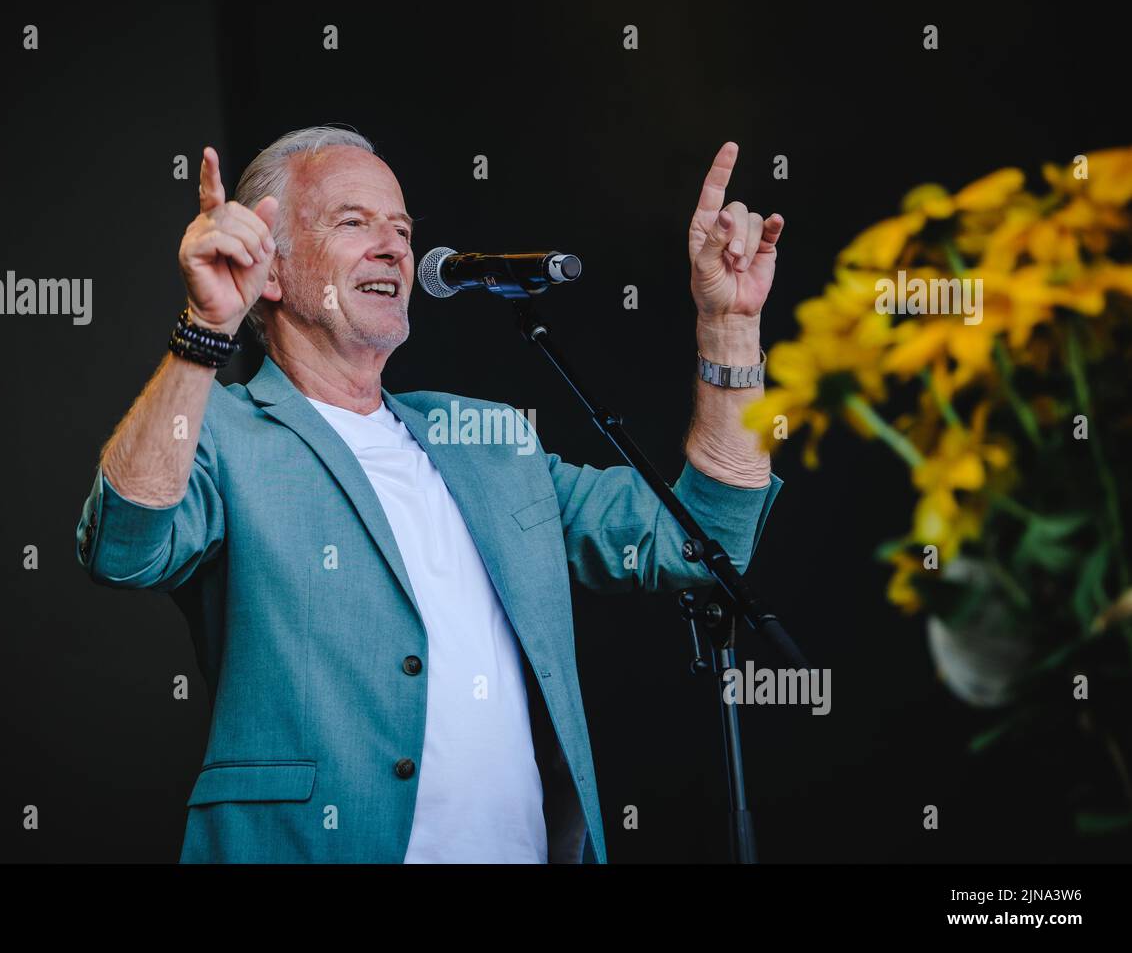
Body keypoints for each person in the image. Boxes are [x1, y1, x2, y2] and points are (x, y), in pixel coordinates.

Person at [74, 125, 785, 863]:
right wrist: (205, 330)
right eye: (354, 222)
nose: (393, 246)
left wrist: (730, 328)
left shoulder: (488, 438)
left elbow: (701, 539)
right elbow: (123, 549)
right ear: (270, 269)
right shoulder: (218, 429)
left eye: (403, 229)